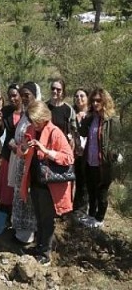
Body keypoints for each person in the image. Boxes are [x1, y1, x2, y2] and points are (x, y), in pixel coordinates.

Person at [20, 101, 74, 265]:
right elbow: (23, 152)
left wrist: (45, 151)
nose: (33, 124)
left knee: (46, 219)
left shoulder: (55, 132)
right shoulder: (31, 130)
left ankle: (45, 254)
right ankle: (39, 247)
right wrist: (23, 148)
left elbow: (68, 157)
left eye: (35, 121)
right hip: (35, 180)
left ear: (43, 117)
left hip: (50, 184)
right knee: (39, 217)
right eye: (31, 121)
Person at [78, 88, 122, 228]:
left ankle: (100, 218)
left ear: (104, 101)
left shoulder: (112, 120)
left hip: (103, 163)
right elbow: (83, 133)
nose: (96, 103)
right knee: (91, 191)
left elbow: (117, 141)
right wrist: (85, 118)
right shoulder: (92, 117)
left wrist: (113, 157)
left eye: (98, 100)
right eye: (93, 101)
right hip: (90, 161)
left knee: (101, 192)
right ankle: (91, 215)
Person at [10, 82, 39, 244]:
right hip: (21, 162)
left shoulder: (36, 115)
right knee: (20, 197)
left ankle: (28, 237)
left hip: (30, 164)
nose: (24, 98)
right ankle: (19, 233)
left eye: (27, 95)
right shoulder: (25, 114)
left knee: (27, 199)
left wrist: (19, 147)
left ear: (35, 95)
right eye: (23, 95)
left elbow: (34, 141)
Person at [0, 84, 22, 212]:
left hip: (22, 154)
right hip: (8, 153)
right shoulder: (6, 111)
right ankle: (4, 214)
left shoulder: (27, 111)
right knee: (7, 186)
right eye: (10, 96)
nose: (12, 99)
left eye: (15, 95)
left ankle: (17, 214)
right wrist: (0, 122)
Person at [72, 88, 90, 220]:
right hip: (74, 152)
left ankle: (82, 210)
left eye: (82, 96)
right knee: (74, 180)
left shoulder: (92, 115)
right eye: (77, 96)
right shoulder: (72, 113)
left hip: (88, 153)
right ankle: (73, 207)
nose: (79, 99)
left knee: (85, 182)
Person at [46, 79, 77, 145]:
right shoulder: (44, 107)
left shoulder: (69, 109)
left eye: (58, 90)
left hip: (63, 146)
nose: (55, 91)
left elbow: (73, 129)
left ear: (63, 92)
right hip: (46, 146)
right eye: (53, 88)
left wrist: (72, 140)